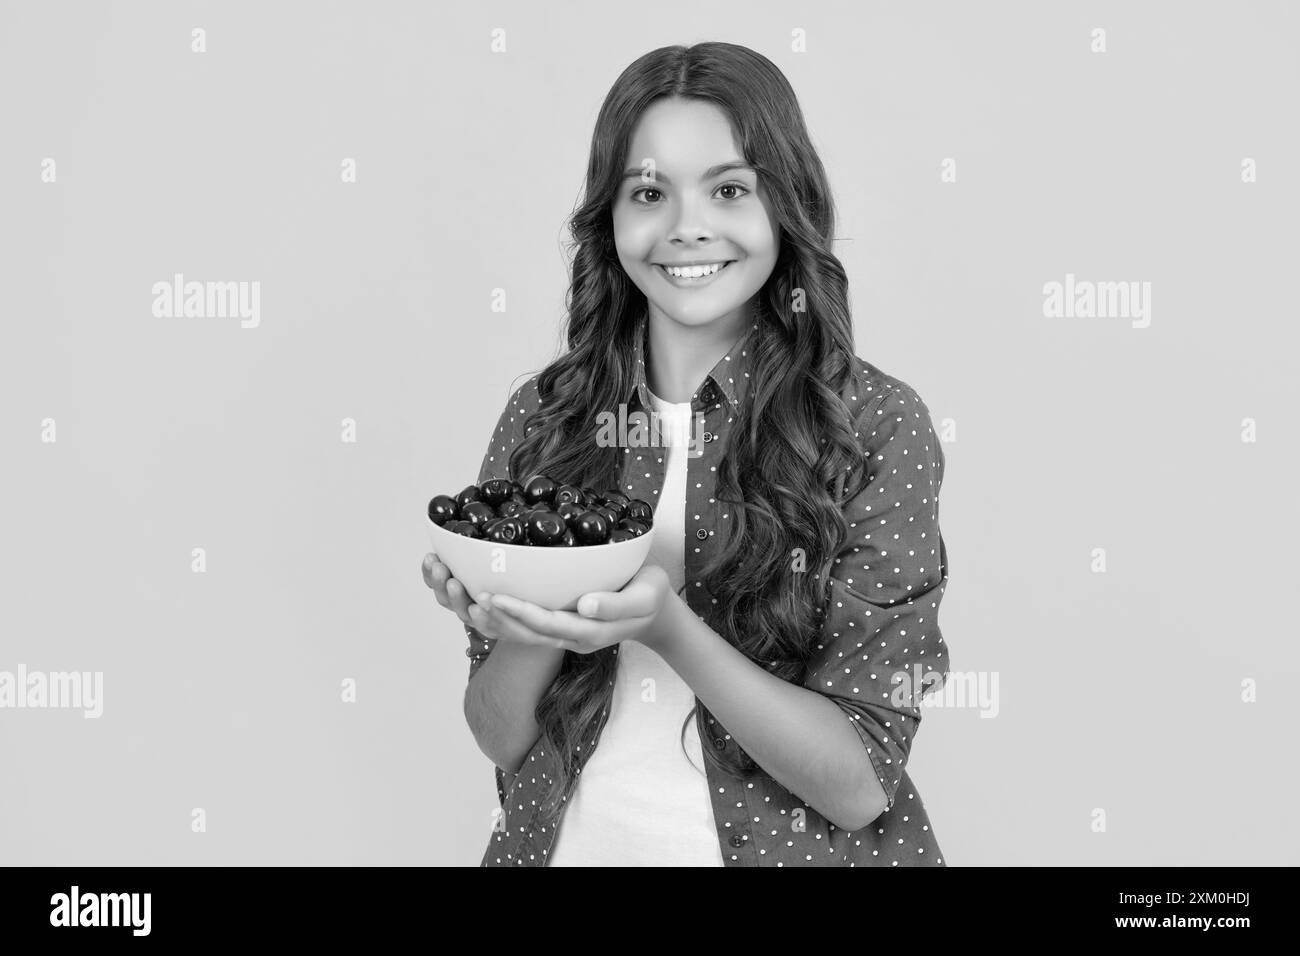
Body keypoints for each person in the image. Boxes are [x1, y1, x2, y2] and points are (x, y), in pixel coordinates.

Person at [422, 41, 952, 867]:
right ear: (612, 216)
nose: (685, 228)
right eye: (648, 193)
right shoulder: (545, 417)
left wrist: (671, 630)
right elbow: (500, 736)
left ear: (786, 205)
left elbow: (857, 783)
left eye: (730, 188)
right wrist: (535, 620)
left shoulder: (873, 425)